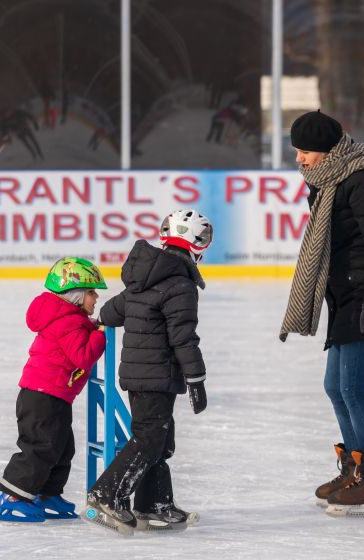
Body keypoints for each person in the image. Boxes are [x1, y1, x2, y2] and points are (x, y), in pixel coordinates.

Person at [279, 110, 364, 518]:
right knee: (335, 387)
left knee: (354, 389)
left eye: (304, 152)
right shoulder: (329, 180)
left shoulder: (360, 180)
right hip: (345, 297)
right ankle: (356, 469)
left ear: (326, 151)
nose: (299, 159)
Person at [84, 209, 213, 536]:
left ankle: (153, 503)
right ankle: (107, 494)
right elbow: (183, 337)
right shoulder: (180, 285)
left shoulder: (144, 280)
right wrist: (196, 379)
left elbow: (111, 310)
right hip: (156, 376)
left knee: (160, 439)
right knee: (149, 439)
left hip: (141, 375)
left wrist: (101, 321)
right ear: (195, 246)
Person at [0, 257, 108, 522]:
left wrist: (91, 327)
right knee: (40, 448)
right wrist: (100, 332)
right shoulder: (68, 321)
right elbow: (82, 355)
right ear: (76, 295)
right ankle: (15, 498)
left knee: (61, 447)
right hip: (42, 396)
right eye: (91, 292)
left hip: (52, 394)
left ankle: (47, 493)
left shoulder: (69, 318)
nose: (96, 297)